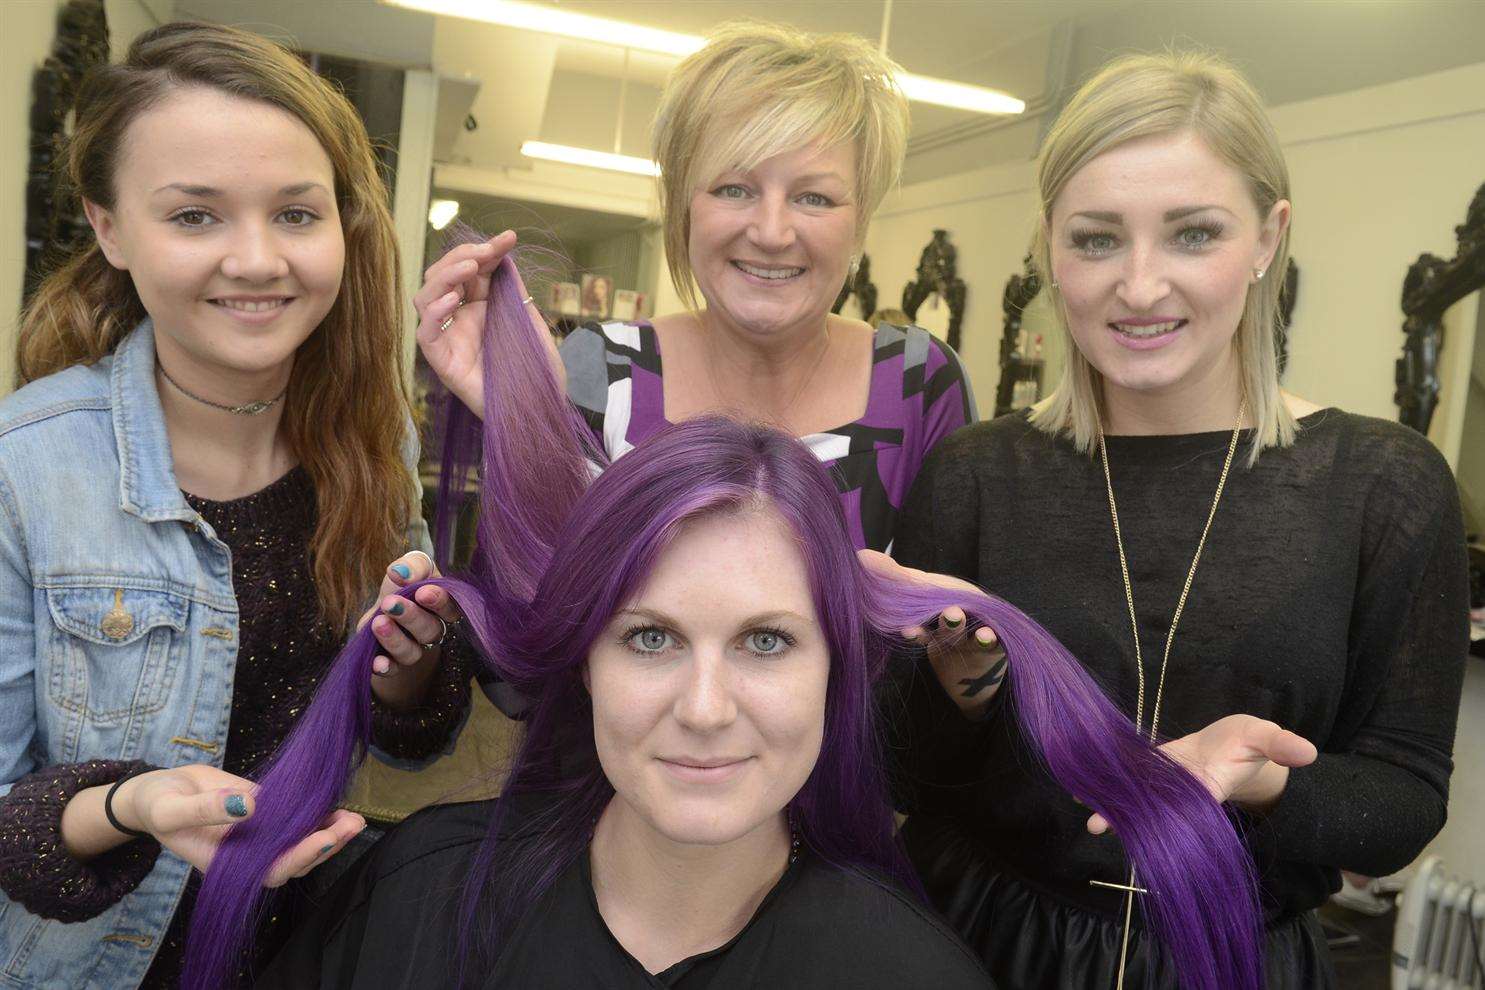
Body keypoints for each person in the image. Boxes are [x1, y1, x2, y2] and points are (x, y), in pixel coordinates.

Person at [190, 252, 1288, 990]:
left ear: (834, 676)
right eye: (651, 637)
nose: (704, 710)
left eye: (766, 641)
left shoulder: (908, 973)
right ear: (580, 664)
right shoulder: (414, 903)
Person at [892, 51, 1470, 989]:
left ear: (1266, 238)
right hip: (970, 944)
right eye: (1096, 239)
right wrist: (959, 693)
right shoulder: (977, 474)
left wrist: (1262, 779)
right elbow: (902, 775)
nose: (1141, 286)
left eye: (1193, 234)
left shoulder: (1383, 485)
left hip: (1230, 957)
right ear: (1049, 246)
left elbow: (1402, 799)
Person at [0, 23, 465, 989]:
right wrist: (134, 806)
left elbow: (414, 742)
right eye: (196, 217)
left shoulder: (378, 442)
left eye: (296, 215)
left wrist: (409, 674)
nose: (257, 261)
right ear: (109, 228)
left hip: (314, 950)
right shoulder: (27, 471)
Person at [414, 21, 975, 555]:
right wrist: (522, 416)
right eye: (734, 188)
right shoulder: (600, 370)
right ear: (683, 207)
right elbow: (539, 612)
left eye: (815, 198)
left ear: (861, 220)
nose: (772, 232)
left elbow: (958, 634)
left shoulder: (919, 386)